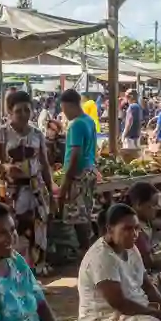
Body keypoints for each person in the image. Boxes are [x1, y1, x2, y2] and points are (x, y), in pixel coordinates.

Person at [78, 203, 161, 321]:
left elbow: (147, 286)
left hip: (138, 309)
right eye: (127, 229)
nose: (135, 234)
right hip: (106, 319)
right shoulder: (101, 258)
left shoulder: (130, 248)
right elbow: (120, 303)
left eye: (136, 228)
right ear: (110, 230)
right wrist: (158, 314)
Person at [0, 89, 53, 273]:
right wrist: (5, 167)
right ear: (9, 112)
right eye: (18, 111)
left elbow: (45, 165)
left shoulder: (37, 134)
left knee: (38, 234)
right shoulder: (1, 134)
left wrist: (51, 193)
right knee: (13, 233)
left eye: (27, 110)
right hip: (11, 193)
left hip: (36, 190)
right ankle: (13, 274)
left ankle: (35, 275)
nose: (24, 114)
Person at [58, 87, 98, 252]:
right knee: (85, 213)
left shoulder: (76, 125)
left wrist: (65, 183)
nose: (64, 113)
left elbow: (75, 155)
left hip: (78, 175)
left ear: (69, 105)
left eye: (63, 109)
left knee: (79, 216)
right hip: (89, 170)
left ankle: (84, 250)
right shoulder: (89, 120)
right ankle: (86, 248)